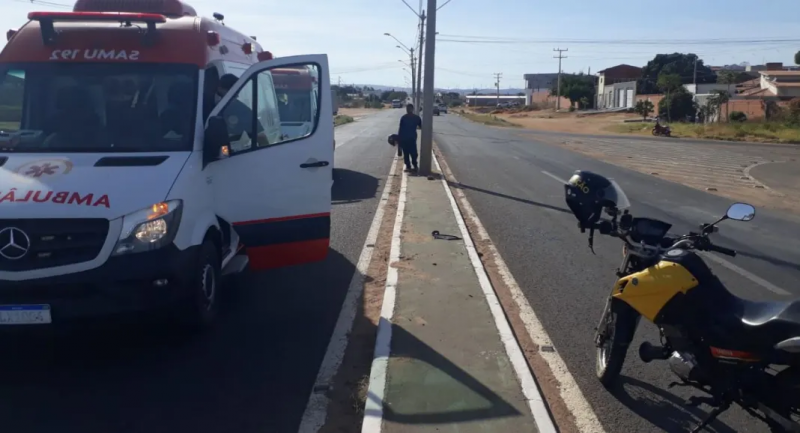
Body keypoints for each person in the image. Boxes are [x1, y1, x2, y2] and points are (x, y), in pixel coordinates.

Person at [216, 73, 269, 148]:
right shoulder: (242, 109)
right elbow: (262, 138)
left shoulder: (240, 110)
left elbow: (260, 137)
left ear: (220, 88)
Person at [397, 103, 422, 171]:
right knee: (406, 153)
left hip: (412, 138)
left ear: (412, 109)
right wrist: (399, 139)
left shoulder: (416, 118)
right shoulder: (404, 118)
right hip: (404, 138)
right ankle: (408, 166)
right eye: (407, 108)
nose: (408, 110)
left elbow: (421, 126)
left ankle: (415, 165)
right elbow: (400, 129)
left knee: (414, 153)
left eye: (409, 108)